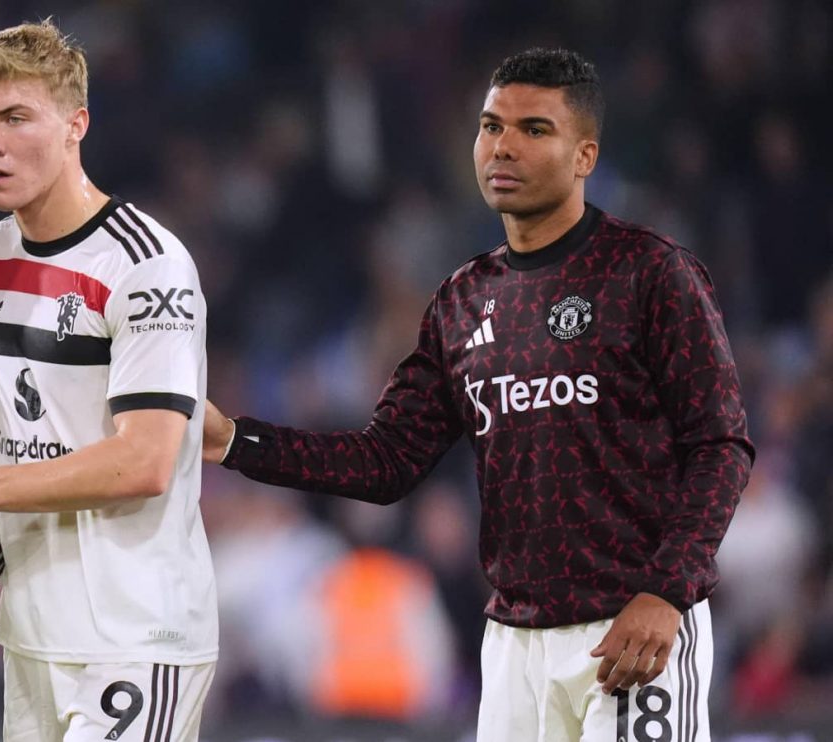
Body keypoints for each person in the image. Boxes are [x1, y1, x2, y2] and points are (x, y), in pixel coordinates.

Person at [202, 48, 754, 741]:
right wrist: (236, 440)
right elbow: (385, 461)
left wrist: (667, 590)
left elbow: (721, 444)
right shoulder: (462, 301)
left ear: (584, 156)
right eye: (491, 126)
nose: (503, 147)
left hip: (634, 625)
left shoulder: (649, 272)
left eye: (534, 129)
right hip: (515, 645)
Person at [0, 21, 218, 741]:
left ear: (76, 125)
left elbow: (145, 461)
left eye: (15, 117)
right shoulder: (2, 247)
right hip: (34, 634)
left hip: (136, 636)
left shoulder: (146, 264)